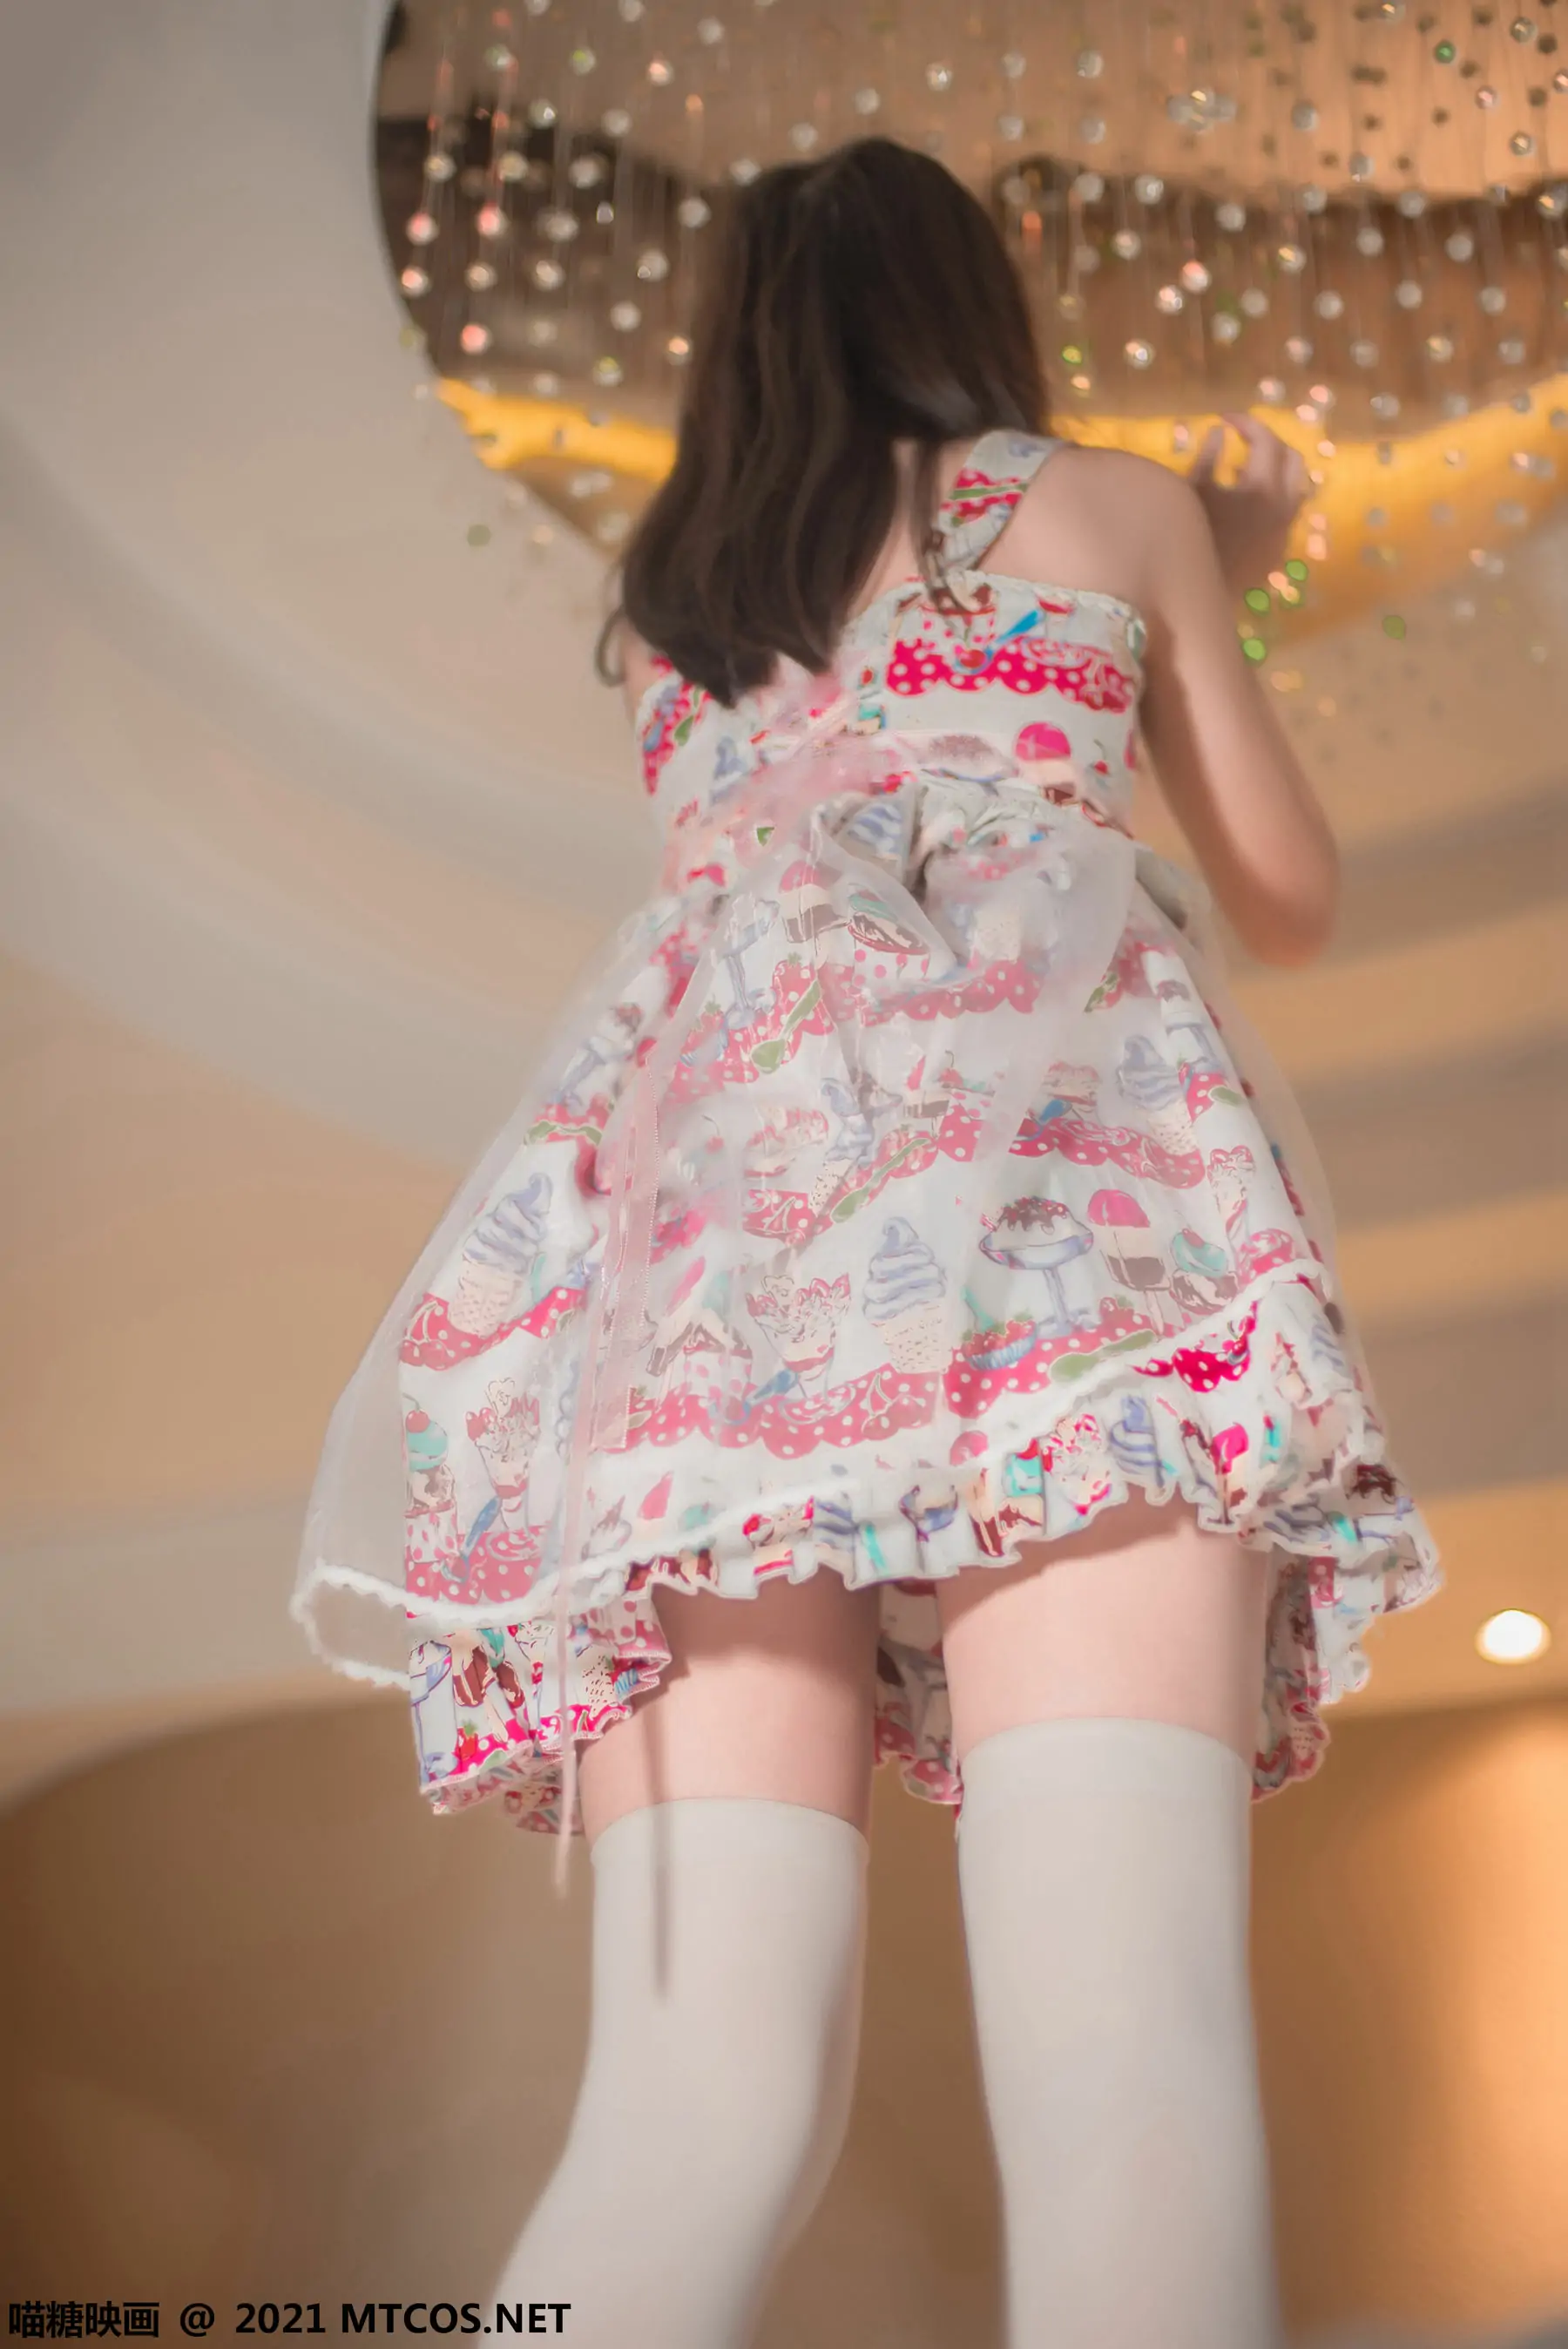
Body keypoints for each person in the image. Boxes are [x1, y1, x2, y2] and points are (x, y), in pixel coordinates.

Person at [294, 136, 1440, 2347]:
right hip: (1065, 1261)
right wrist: (1222, 575)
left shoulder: (678, 615)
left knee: (689, 2109)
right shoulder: (1110, 506)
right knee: (1124, 2056)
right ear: (971, 307)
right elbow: (1287, 890)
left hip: (705, 1312)